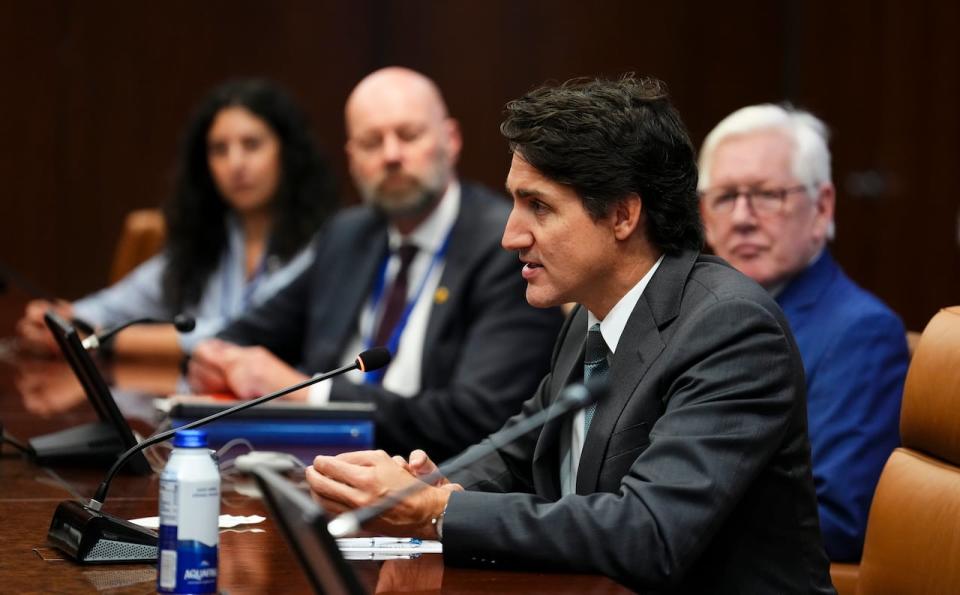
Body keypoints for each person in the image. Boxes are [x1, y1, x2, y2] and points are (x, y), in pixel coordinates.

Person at [305, 76, 835, 593]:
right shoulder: (592, 312)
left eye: (539, 206)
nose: (511, 235)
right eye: (514, 203)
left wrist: (438, 511)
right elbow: (516, 454)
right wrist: (428, 484)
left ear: (623, 215)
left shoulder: (731, 329)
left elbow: (648, 531)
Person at [187, 67, 563, 461]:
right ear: (352, 159)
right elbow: (249, 332)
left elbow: (479, 418)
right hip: (314, 465)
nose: (391, 156)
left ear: (450, 140)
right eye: (371, 142)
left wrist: (311, 392)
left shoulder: (505, 246)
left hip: (432, 476)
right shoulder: (347, 236)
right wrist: (216, 357)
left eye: (408, 135)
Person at [697, 104, 909, 561]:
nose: (742, 217)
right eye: (725, 196)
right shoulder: (697, 315)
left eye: (767, 194)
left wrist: (672, 520)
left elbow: (832, 520)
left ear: (821, 208)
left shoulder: (862, 333)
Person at [16, 79, 336, 359]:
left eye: (251, 145)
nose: (235, 163)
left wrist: (104, 340)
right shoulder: (209, 237)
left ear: (288, 153)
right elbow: (119, 303)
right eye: (219, 150)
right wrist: (63, 320)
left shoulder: (329, 242)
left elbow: (242, 335)